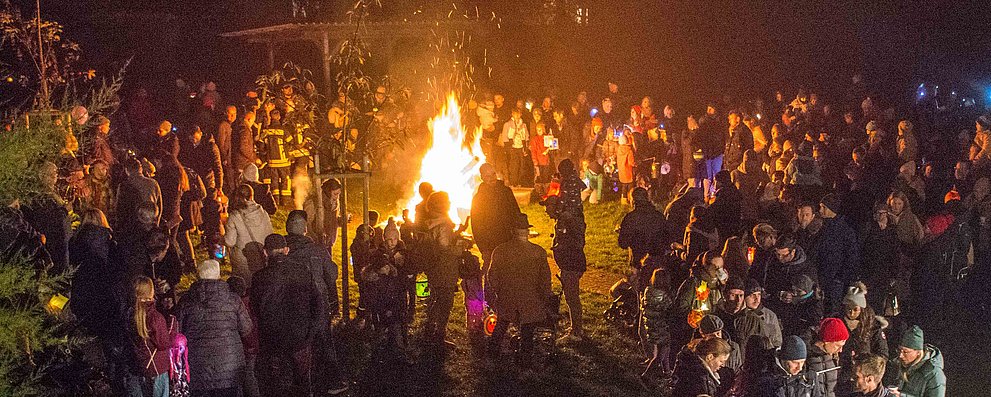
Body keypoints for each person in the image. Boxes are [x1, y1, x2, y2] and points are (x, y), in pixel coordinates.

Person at [251, 234, 325, 396]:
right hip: (301, 337)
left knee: (277, 384)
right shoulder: (303, 271)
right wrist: (310, 333)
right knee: (303, 381)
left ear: (265, 252)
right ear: (286, 250)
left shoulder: (259, 277)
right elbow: (318, 304)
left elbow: (255, 310)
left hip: (273, 340)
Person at [177, 259, 252, 396]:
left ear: (198, 276)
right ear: (219, 276)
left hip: (197, 365)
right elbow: (246, 328)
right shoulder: (233, 300)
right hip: (230, 366)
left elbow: (179, 331)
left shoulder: (186, 301)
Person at [486, 213, 552, 363]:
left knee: (502, 324)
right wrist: (544, 297)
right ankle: (525, 359)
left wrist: (499, 292)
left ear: (511, 231)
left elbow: (492, 276)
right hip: (530, 299)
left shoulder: (500, 251)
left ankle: (492, 355)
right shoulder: (538, 252)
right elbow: (545, 280)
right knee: (527, 330)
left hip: (507, 297)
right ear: (527, 232)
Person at [419, 191, 469, 348]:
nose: (449, 203)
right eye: (446, 201)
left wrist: (457, 232)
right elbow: (445, 248)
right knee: (445, 301)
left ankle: (429, 330)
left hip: (434, 268)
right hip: (445, 268)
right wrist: (461, 248)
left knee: (435, 299)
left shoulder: (431, 221)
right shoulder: (444, 224)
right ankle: (439, 336)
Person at [549, 159, 588, 341]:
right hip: (571, 258)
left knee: (572, 296)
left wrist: (557, 209)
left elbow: (564, 209)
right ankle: (576, 328)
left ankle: (576, 331)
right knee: (572, 294)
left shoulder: (571, 220)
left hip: (571, 261)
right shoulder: (573, 184)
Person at [470, 163, 521, 275]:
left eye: (493, 174)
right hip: (490, 243)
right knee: (494, 274)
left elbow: (515, 212)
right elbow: (477, 225)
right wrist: (484, 249)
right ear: (482, 177)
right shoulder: (479, 198)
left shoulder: (506, 192)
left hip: (508, 239)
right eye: (487, 176)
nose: (492, 178)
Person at [128, 276, 175, 397]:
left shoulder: (130, 314)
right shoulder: (155, 317)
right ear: (151, 291)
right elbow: (163, 343)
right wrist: (171, 325)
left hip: (139, 366)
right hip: (156, 367)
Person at [814, 194, 861, 312]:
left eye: (823, 207)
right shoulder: (821, 227)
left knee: (833, 310)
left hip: (835, 281)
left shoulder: (845, 231)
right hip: (821, 278)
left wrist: (840, 277)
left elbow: (851, 256)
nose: (820, 210)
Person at [224, 184, 273, 285]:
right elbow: (270, 234)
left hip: (243, 260)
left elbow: (230, 242)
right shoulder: (263, 213)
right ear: (252, 196)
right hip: (262, 257)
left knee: (244, 287)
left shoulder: (235, 216)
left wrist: (221, 238)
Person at [618, 187, 666, 289]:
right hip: (658, 263)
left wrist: (623, 232)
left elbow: (623, 243)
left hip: (638, 264)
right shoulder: (659, 216)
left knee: (638, 291)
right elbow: (667, 237)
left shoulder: (630, 218)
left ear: (633, 201)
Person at [882, 325, 946, 397]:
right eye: (899, 350)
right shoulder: (896, 364)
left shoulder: (934, 373)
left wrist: (901, 395)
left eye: (905, 352)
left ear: (918, 352)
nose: (900, 355)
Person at [640, 268, 674, 385]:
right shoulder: (664, 296)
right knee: (661, 353)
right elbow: (669, 308)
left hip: (651, 327)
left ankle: (667, 372)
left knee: (664, 349)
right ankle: (647, 374)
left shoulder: (648, 291)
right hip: (661, 327)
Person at [807, 317, 850, 397]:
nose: (841, 350)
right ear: (827, 341)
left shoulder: (837, 357)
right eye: (838, 346)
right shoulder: (806, 358)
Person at [178, 125, 224, 191]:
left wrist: (219, 186)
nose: (194, 141)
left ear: (201, 134)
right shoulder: (187, 146)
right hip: (194, 180)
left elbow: (217, 166)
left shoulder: (211, 147)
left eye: (196, 138)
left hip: (207, 180)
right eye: (191, 138)